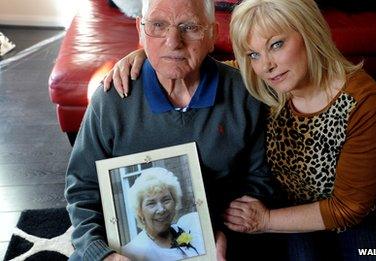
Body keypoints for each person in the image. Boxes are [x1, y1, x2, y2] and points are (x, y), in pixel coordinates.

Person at [104, 0, 376, 259]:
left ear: (310, 32)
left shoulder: (363, 102)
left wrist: (265, 220)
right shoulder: (259, 81)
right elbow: (190, 62)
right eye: (253, 54)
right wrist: (144, 56)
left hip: (352, 217)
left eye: (276, 45)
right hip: (285, 208)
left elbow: (349, 207)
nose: (266, 65)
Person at [64, 0, 275, 260]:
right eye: (158, 25)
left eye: (190, 27)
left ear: (212, 35)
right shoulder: (112, 98)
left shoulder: (243, 94)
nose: (173, 41)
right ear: (141, 31)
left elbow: (258, 182)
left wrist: (219, 234)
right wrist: (104, 255)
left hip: (219, 242)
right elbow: (82, 190)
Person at [122, 167, 205, 260]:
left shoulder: (188, 228)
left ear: (175, 202)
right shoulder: (133, 253)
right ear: (140, 212)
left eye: (166, 200)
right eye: (151, 203)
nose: (161, 209)